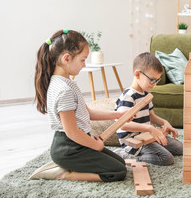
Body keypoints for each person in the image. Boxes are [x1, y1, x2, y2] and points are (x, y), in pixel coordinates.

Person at [31, 29, 127, 182]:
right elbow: (72, 132)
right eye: (82, 60)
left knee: (120, 163)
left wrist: (117, 115)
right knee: (118, 171)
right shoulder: (64, 90)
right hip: (68, 148)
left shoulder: (67, 83)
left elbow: (86, 112)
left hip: (76, 143)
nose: (84, 65)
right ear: (66, 58)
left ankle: (70, 166)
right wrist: (95, 146)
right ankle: (66, 175)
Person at [115, 52, 183, 166]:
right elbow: (122, 124)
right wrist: (149, 128)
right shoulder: (128, 97)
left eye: (157, 80)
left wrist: (164, 122)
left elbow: (151, 115)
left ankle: (153, 147)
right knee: (166, 159)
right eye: (152, 79)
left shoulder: (146, 94)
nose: (154, 84)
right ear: (137, 74)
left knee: (181, 149)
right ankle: (126, 155)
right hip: (134, 142)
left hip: (148, 136)